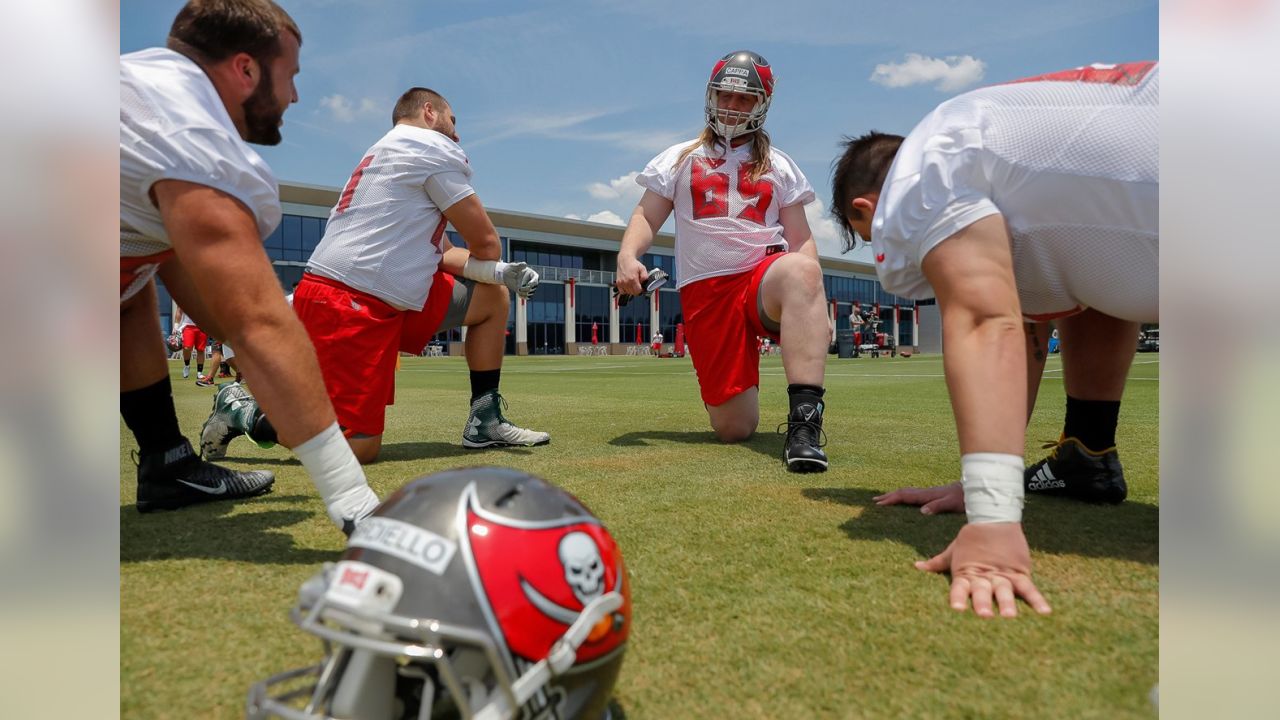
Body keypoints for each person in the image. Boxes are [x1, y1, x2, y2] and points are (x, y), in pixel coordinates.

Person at [830, 61, 1158, 616]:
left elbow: (986, 320)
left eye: (863, 235)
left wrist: (992, 517)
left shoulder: (926, 167)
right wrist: (978, 477)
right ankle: (1087, 451)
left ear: (866, 208)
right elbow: (1056, 301)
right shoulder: (1011, 161)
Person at [121, 0, 379, 531]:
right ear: (246, 69)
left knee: (129, 278)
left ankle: (167, 461)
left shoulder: (136, 86)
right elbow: (254, 320)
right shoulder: (195, 139)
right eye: (290, 76)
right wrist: (354, 500)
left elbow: (196, 288)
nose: (294, 95)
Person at [201, 87, 549, 465]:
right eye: (453, 120)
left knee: (491, 297)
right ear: (429, 113)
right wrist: (493, 264)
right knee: (357, 448)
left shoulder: (394, 153)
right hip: (352, 297)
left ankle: (485, 420)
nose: (457, 133)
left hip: (385, 292)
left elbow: (446, 253)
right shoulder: (428, 147)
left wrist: (499, 275)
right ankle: (242, 411)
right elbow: (486, 243)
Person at [615, 51, 831, 472]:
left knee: (801, 269)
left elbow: (801, 239)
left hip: (762, 279)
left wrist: (815, 301)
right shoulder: (679, 157)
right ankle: (749, 397)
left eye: (744, 99)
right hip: (707, 290)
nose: (732, 106)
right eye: (725, 95)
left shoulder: (780, 164)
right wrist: (628, 254)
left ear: (762, 104)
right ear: (710, 96)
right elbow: (646, 215)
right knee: (735, 427)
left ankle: (805, 425)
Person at [172, 304, 207, 380]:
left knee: (201, 350)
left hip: (202, 326)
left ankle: (199, 373)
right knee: (187, 347)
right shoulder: (186, 296)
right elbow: (179, 310)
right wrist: (175, 327)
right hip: (188, 326)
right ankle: (187, 365)